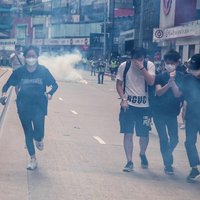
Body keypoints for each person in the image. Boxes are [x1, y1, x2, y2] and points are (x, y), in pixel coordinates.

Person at [0, 45, 58, 170]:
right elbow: (6, 86)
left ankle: (39, 139)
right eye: (28, 56)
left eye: (33, 56)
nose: (31, 58)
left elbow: (54, 85)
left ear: (37, 57)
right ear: (25, 57)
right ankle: (33, 159)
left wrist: (49, 93)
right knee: (28, 133)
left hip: (39, 107)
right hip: (23, 106)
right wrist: (3, 96)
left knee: (38, 133)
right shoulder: (19, 72)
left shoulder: (43, 71)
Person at [116, 47, 155, 172]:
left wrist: (142, 67)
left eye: (141, 59)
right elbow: (118, 84)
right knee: (128, 133)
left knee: (144, 134)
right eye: (135, 59)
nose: (137, 62)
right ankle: (129, 161)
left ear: (144, 58)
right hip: (128, 106)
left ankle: (142, 154)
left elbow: (151, 82)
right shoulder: (124, 66)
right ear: (131, 58)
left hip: (145, 107)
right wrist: (123, 99)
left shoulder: (150, 65)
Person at [153, 50, 183, 175]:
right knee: (164, 138)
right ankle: (168, 163)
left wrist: (173, 82)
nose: (169, 65)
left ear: (177, 63)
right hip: (159, 112)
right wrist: (168, 84)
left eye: (172, 63)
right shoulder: (160, 76)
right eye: (167, 63)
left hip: (172, 113)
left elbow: (178, 94)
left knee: (175, 139)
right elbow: (158, 92)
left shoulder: (182, 76)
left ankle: (167, 153)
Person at [180, 54, 200, 182]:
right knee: (189, 142)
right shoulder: (187, 79)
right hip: (192, 116)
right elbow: (182, 96)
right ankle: (195, 167)